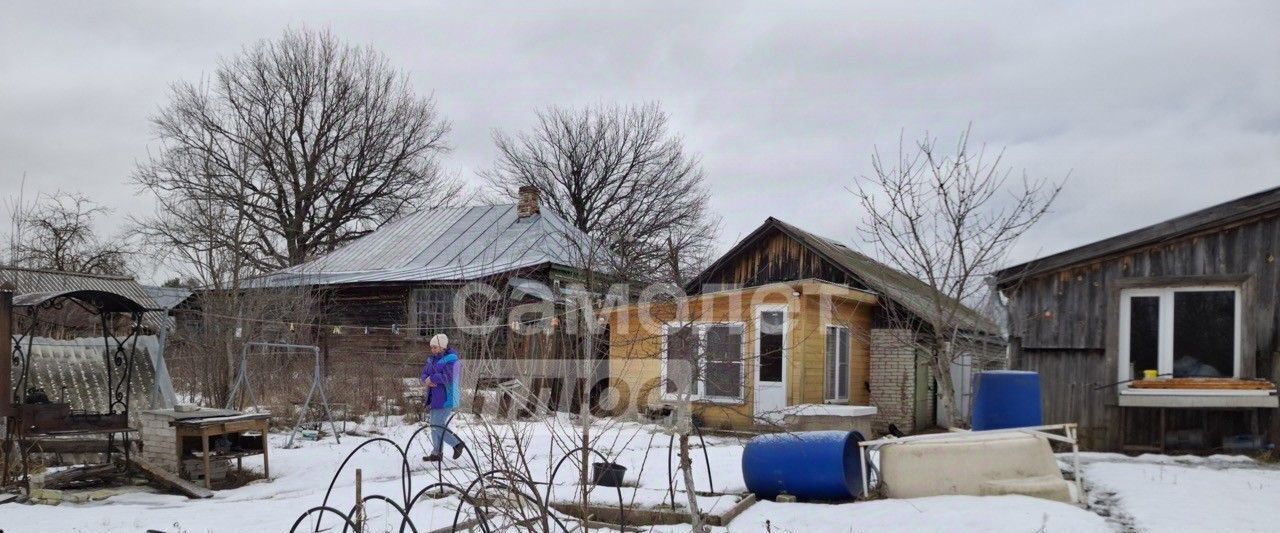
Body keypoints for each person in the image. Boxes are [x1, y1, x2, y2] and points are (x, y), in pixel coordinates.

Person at [420, 333, 465, 461]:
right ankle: (436, 453)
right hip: (434, 398)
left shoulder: (452, 360)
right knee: (434, 425)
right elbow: (424, 374)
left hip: (447, 397)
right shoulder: (431, 360)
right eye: (431, 347)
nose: (432, 350)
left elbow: (449, 377)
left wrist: (432, 378)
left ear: (442, 347)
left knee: (437, 425)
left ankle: (457, 444)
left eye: (435, 347)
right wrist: (425, 380)